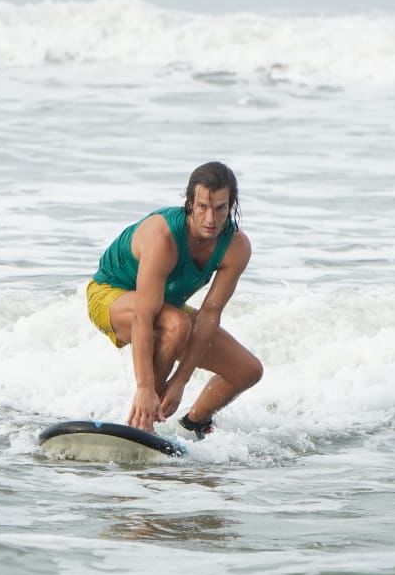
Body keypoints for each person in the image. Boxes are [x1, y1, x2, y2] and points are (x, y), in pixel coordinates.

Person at [86, 162, 263, 438]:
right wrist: (146, 387)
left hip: (166, 310)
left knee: (247, 370)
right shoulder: (163, 237)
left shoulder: (236, 247)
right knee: (176, 324)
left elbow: (209, 315)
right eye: (202, 206)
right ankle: (140, 425)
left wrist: (181, 380)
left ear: (232, 206)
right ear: (189, 203)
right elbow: (145, 315)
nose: (211, 219)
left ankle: (194, 424)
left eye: (220, 208)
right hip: (110, 296)